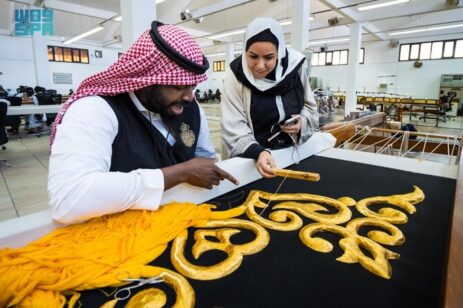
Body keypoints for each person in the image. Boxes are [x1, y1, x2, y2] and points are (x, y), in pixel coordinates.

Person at [48, 21, 238, 224]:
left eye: (192, 87)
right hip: (121, 230)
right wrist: (181, 173)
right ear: (147, 79)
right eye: (180, 86)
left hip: (184, 217)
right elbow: (68, 198)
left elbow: (204, 160)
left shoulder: (191, 109)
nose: (189, 97)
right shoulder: (94, 110)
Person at [221, 17, 319, 178]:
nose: (260, 65)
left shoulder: (295, 68)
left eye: (268, 57)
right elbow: (233, 127)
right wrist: (258, 152)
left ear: (279, 53)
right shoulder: (236, 75)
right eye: (253, 56)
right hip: (255, 163)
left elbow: (310, 108)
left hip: (294, 154)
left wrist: (303, 121)